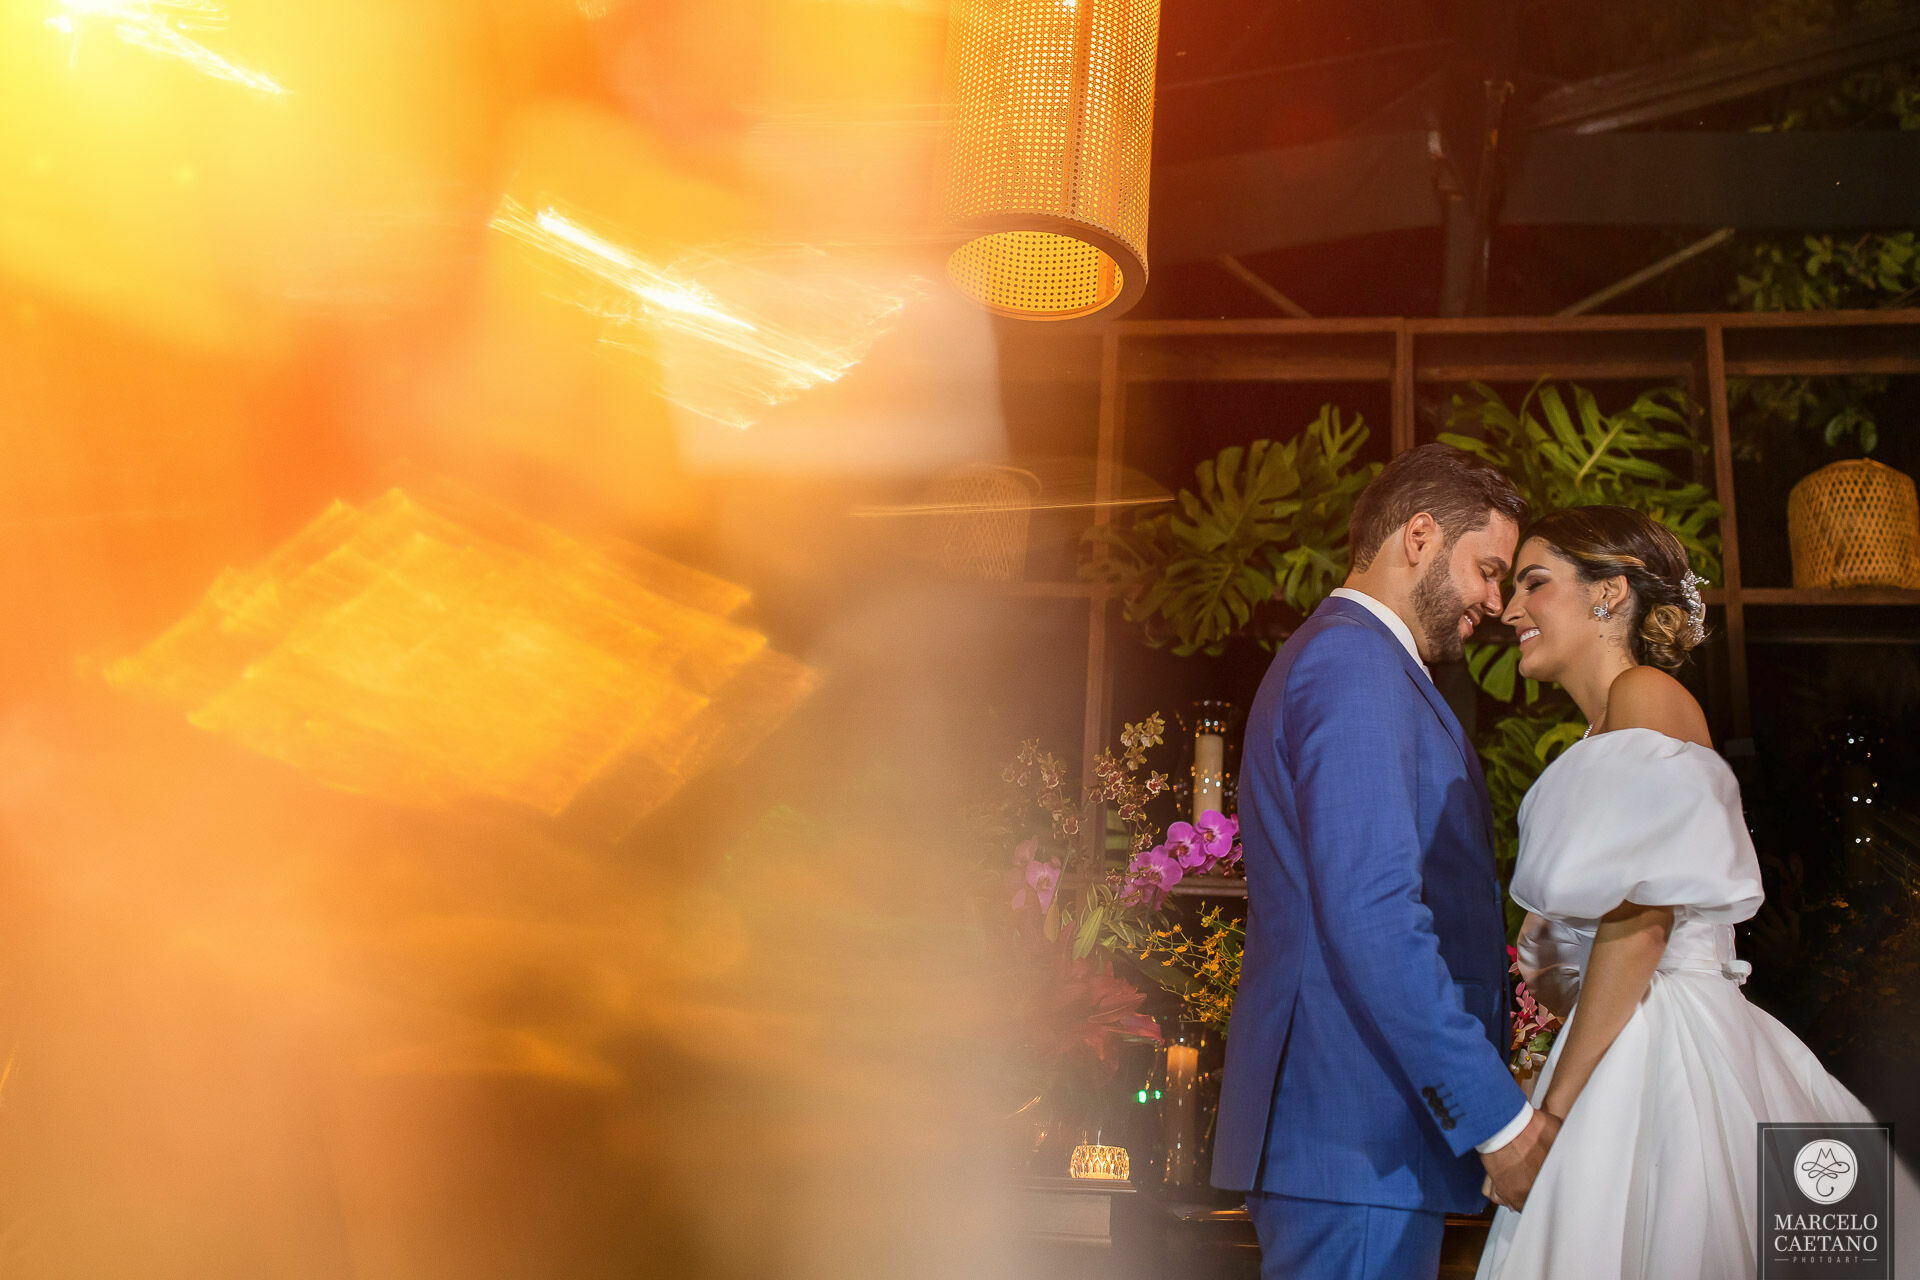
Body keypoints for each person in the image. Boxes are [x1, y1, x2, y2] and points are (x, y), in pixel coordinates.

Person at [1475, 504, 1920, 1280]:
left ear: (1610, 593)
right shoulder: (1603, 735)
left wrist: (1547, 1121)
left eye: (1535, 584)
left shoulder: (1646, 695)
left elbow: (1642, 924)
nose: (1511, 610)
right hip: (1625, 1034)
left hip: (1664, 1045)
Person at [1213, 444, 1559, 1280]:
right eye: (1486, 569)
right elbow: (1372, 915)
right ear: (1418, 536)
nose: (1494, 600)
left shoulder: (1350, 659)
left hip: (1354, 1135)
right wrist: (1497, 1120)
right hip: (1357, 1134)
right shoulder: (1356, 662)